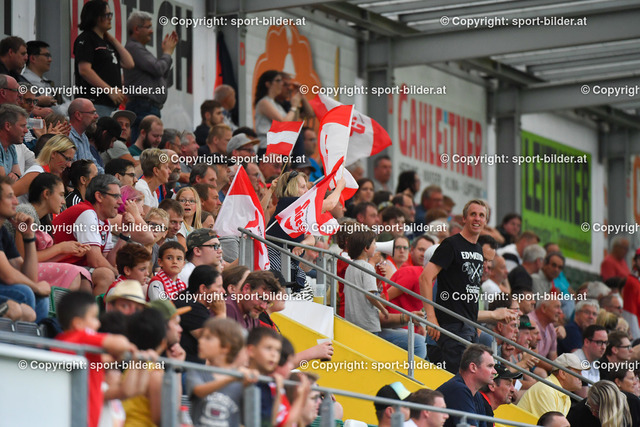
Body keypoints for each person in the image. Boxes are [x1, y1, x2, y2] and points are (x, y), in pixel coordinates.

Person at [420, 199, 489, 373]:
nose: (477, 218)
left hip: (469, 327)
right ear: (464, 218)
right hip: (451, 325)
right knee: (460, 378)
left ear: (485, 221)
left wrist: (475, 324)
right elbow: (425, 278)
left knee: (470, 379)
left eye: (481, 215)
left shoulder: (479, 249)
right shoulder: (451, 244)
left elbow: (471, 287)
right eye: (473, 214)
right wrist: (431, 317)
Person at [55, 291, 136, 427]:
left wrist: (116, 357)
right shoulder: (80, 336)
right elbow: (119, 343)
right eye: (93, 318)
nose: (98, 324)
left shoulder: (62, 343)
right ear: (78, 323)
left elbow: (101, 360)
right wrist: (130, 347)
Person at [5, 173, 92, 291]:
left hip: (24, 268)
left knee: (84, 278)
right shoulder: (26, 212)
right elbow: (25, 258)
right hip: (12, 269)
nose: (63, 201)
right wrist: (60, 248)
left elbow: (38, 259)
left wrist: (69, 251)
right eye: (61, 195)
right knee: (73, 272)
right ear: (46, 194)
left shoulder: (44, 219)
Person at [52, 174, 128, 295]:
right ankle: (90, 308)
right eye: (115, 196)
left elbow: (108, 261)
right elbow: (95, 261)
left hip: (74, 270)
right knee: (106, 275)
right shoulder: (86, 212)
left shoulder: (105, 221)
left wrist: (125, 234)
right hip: (56, 268)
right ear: (99, 196)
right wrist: (120, 277)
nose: (120, 202)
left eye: (120, 197)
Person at [188, 317, 258, 426]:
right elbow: (199, 391)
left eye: (208, 338)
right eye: (202, 336)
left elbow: (249, 416)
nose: (200, 341)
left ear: (225, 347)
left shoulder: (241, 377)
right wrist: (231, 378)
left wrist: (249, 382)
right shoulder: (197, 371)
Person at [121, 307, 183, 426]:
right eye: (176, 324)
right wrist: (177, 369)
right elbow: (165, 417)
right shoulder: (155, 374)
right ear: (163, 340)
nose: (180, 329)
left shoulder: (133, 365)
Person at [0, 175, 50, 321]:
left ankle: (36, 336)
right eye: (9, 197)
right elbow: (7, 275)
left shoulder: (2, 231)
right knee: (25, 292)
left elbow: (29, 276)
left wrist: (28, 236)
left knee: (41, 298)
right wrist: (36, 287)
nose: (16, 202)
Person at [73, 0, 134, 117]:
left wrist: (112, 39)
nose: (110, 18)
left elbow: (129, 63)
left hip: (110, 104)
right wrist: (109, 90)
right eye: (107, 15)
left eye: (110, 14)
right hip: (94, 104)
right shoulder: (86, 39)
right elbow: (84, 70)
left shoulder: (107, 42)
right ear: (95, 17)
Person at [124, 11, 177, 141]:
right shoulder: (133, 48)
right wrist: (167, 53)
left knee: (150, 148)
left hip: (147, 107)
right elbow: (158, 68)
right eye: (148, 27)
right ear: (136, 29)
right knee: (144, 148)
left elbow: (160, 72)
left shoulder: (139, 49)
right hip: (142, 107)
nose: (151, 31)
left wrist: (166, 54)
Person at [436, 344, 496, 427]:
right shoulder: (458, 390)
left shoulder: (477, 395)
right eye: (490, 366)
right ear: (473, 367)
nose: (495, 372)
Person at [176, 265, 226, 363]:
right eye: (219, 286)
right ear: (203, 289)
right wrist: (221, 314)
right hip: (186, 368)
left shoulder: (190, 301)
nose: (223, 292)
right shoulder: (191, 307)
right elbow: (215, 342)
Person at [344, 227, 389, 333]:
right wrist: (383, 310)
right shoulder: (367, 267)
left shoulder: (349, 267)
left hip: (352, 322)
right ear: (366, 248)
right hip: (368, 323)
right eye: (374, 244)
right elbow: (370, 295)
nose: (376, 247)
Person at [517, 353, 584, 417]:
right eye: (578, 372)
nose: (581, 376)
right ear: (563, 373)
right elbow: (551, 423)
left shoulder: (565, 396)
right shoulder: (547, 390)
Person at [12, 134, 76, 199]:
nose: (69, 165)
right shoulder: (36, 174)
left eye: (71, 160)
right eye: (67, 159)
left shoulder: (52, 174)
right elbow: (9, 194)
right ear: (53, 153)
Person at [254, 70, 303, 151]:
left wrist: (297, 101)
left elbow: (293, 123)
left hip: (280, 148)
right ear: (268, 84)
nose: (281, 84)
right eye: (278, 80)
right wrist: (293, 107)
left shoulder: (277, 105)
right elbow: (282, 123)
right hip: (267, 148)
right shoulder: (264, 102)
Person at [247, 326, 283, 426]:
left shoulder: (266, 385)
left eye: (278, 350)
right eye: (268, 348)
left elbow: (270, 422)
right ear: (251, 351)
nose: (274, 355)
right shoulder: (239, 379)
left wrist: (278, 392)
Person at [567, 380, 633, 427]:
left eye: (598, 411)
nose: (593, 413)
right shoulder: (579, 412)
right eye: (591, 407)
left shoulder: (632, 404)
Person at [135, 147, 171, 214]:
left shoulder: (153, 192)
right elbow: (146, 219)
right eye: (166, 168)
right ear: (156, 171)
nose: (169, 171)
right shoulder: (141, 189)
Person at [0, 104, 27, 181]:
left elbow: (18, 174)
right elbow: (3, 183)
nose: (26, 130)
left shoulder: (11, 146)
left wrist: (15, 175)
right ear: (8, 126)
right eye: (22, 126)